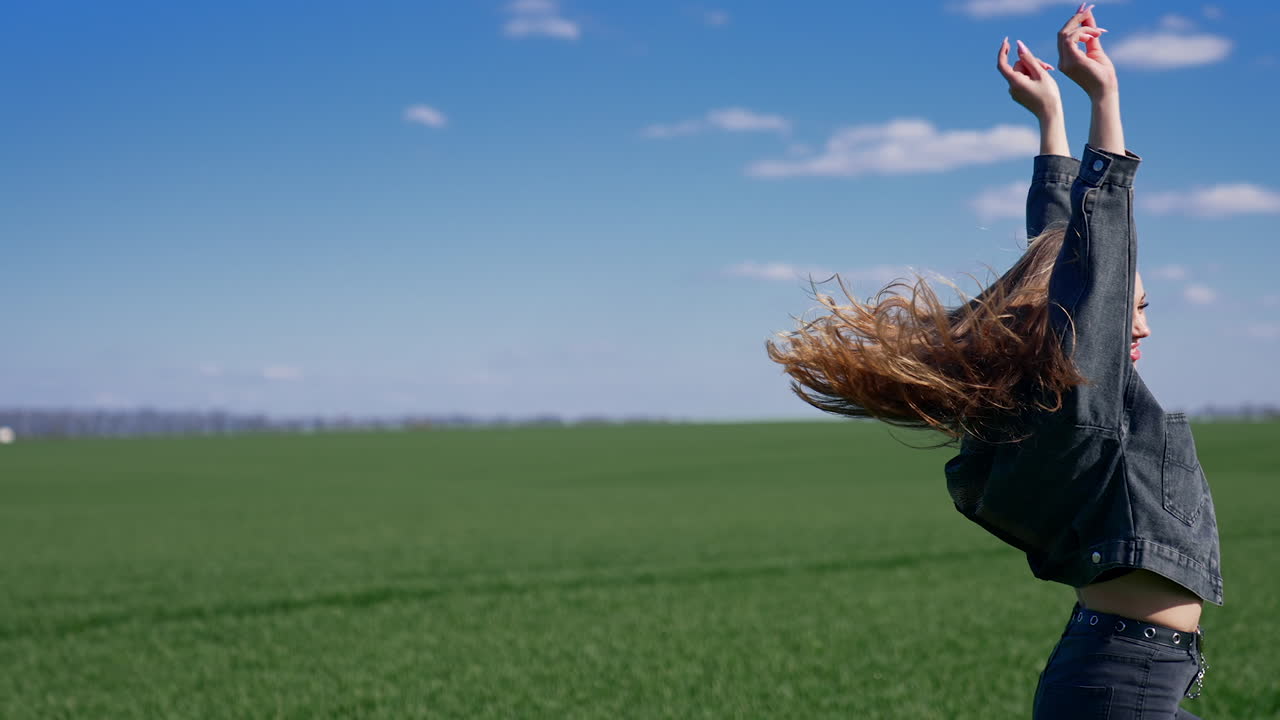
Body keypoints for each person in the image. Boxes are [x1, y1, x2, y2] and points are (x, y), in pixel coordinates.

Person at [765, 6, 1221, 718]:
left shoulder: (1053, 399)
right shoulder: (1080, 404)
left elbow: (1058, 255)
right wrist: (1103, 98)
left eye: (1145, 309)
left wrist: (1049, 122)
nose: (1140, 326)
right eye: (1131, 307)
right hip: (1122, 685)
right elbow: (1089, 260)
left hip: (1120, 676)